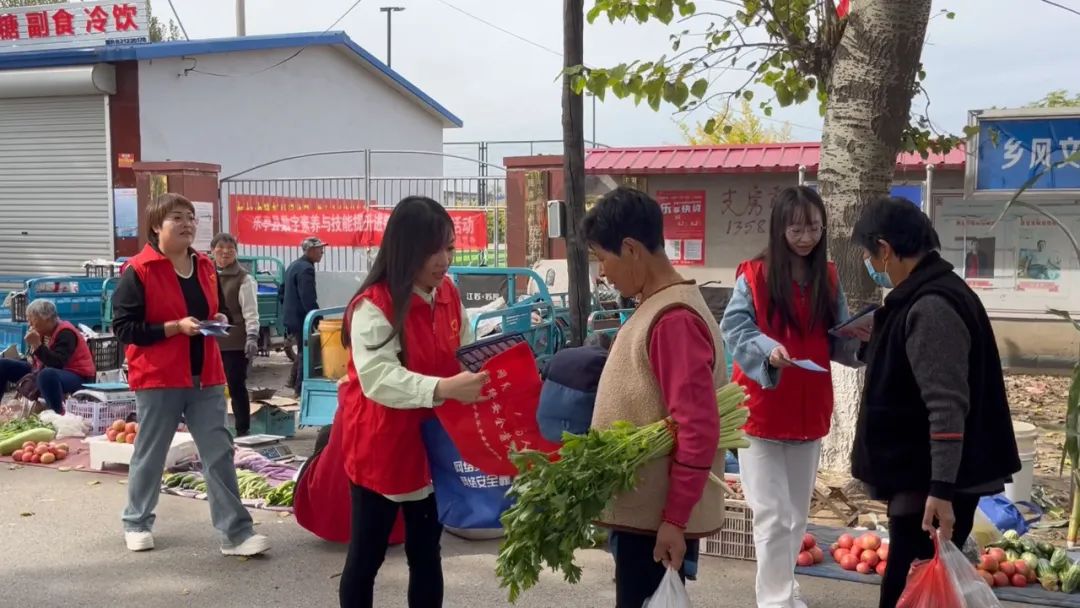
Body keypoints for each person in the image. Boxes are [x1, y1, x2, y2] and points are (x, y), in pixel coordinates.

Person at [850, 196, 1021, 608]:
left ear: (886, 250)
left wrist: (941, 492)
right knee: (913, 587)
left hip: (935, 480)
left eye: (871, 256)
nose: (873, 265)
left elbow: (946, 405)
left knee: (908, 590)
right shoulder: (928, 293)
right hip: (924, 474)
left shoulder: (931, 306)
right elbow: (916, 372)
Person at [337, 196, 489, 608]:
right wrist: (444, 389)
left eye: (449, 248)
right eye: (432, 250)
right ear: (406, 249)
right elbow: (379, 378)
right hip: (381, 445)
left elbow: (465, 348)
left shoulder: (448, 294)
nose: (443, 260)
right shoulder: (374, 304)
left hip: (433, 443)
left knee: (426, 553)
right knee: (366, 556)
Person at [581, 186, 726, 608]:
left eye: (602, 259)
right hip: (646, 517)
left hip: (655, 522)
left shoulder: (674, 319)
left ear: (630, 249)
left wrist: (674, 520)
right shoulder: (659, 304)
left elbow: (697, 428)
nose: (603, 274)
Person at [720, 186, 862, 608]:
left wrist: (865, 340)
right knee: (771, 515)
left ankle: (784, 586)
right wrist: (769, 351)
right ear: (779, 228)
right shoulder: (754, 275)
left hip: (809, 410)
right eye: (796, 228)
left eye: (814, 228)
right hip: (761, 411)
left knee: (796, 517)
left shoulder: (829, 277)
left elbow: (838, 339)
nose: (805, 237)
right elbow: (736, 329)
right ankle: (776, 600)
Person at [112, 193, 269, 557]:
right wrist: (173, 328)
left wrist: (220, 321)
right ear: (156, 226)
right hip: (159, 377)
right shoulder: (139, 270)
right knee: (150, 453)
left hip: (207, 375)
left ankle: (236, 534)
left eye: (190, 217)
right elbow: (125, 328)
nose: (187, 225)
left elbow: (217, 309)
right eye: (176, 219)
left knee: (219, 452)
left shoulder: (204, 266)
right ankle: (136, 522)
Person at [0, 299, 96, 414]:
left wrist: (37, 345)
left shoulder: (66, 332)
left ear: (46, 318)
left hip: (78, 376)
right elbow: (36, 361)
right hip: (44, 369)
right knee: (3, 365)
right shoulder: (43, 333)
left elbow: (57, 363)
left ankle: (56, 415)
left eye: (32, 319)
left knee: (46, 374)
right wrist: (32, 348)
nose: (30, 324)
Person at [210, 233, 260, 437]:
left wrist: (252, 336)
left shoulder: (244, 278)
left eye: (230, 250)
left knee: (236, 384)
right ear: (213, 251)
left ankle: (242, 429)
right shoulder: (206, 274)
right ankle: (213, 428)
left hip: (234, 341)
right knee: (210, 387)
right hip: (209, 339)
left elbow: (251, 310)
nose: (225, 253)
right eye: (220, 249)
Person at [283, 236, 325, 395]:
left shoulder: (293, 265)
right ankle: (299, 389)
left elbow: (282, 290)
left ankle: (292, 380)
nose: (322, 252)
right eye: (320, 249)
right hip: (301, 318)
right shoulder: (306, 268)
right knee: (306, 352)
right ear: (311, 250)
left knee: (302, 349)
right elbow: (308, 298)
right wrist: (317, 318)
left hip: (290, 316)